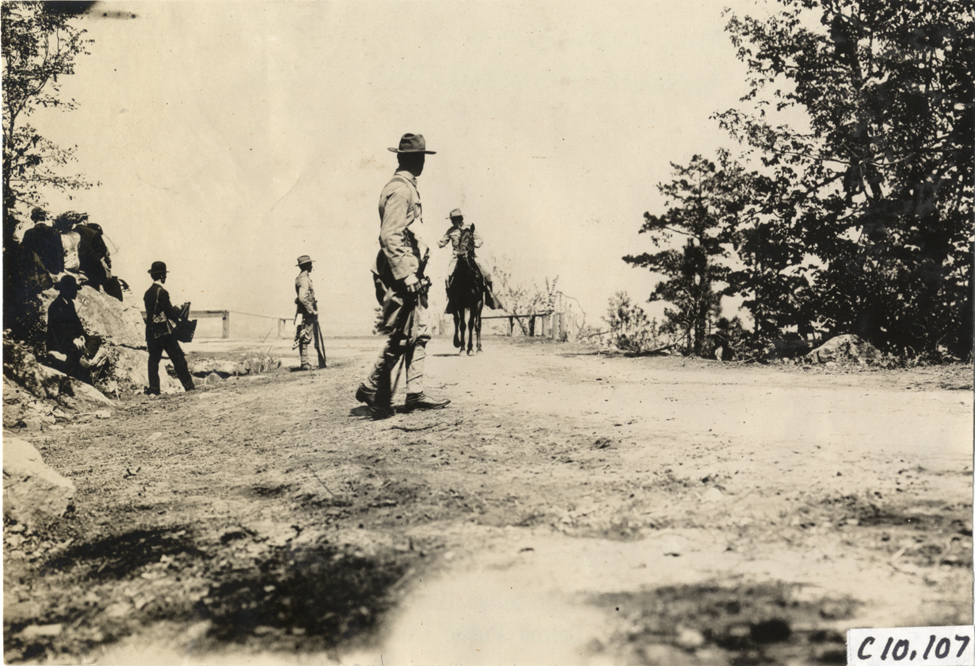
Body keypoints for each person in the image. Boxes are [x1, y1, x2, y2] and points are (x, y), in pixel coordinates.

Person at [355, 133, 450, 417]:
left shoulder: (408, 187)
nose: (422, 162)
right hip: (403, 272)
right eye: (420, 157)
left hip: (412, 269)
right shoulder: (400, 190)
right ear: (413, 159)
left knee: (418, 333)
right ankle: (372, 386)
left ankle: (414, 393)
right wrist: (407, 274)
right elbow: (390, 235)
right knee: (402, 334)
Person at [143, 261, 195, 395]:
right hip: (165, 333)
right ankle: (189, 386)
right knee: (178, 359)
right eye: (164, 275)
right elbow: (170, 314)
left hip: (151, 333)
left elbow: (151, 315)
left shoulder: (147, 293)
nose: (165, 277)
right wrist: (179, 310)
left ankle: (154, 389)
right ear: (161, 276)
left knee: (153, 361)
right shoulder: (163, 292)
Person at [46, 275, 107, 384]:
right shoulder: (55, 306)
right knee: (73, 349)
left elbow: (77, 324)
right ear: (67, 291)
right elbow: (59, 329)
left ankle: (84, 355)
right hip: (60, 342)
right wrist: (74, 339)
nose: (76, 292)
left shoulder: (70, 304)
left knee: (96, 339)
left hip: (73, 340)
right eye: (73, 290)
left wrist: (82, 335)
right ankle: (81, 358)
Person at [437, 208, 501, 309]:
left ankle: (489, 296)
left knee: (487, 273)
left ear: (460, 219)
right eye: (451, 220)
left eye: (454, 219)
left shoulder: (469, 228)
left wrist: (475, 243)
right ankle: (451, 301)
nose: (452, 221)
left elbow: (479, 240)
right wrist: (436, 243)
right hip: (456, 258)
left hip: (471, 257)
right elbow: (441, 242)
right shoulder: (450, 231)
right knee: (446, 279)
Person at [293, 255, 326, 370]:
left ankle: (304, 362)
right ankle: (304, 363)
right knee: (306, 336)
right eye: (310, 264)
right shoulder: (304, 279)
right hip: (307, 312)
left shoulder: (301, 278)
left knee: (304, 335)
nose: (312, 266)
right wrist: (312, 311)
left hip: (304, 311)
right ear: (306, 266)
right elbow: (303, 298)